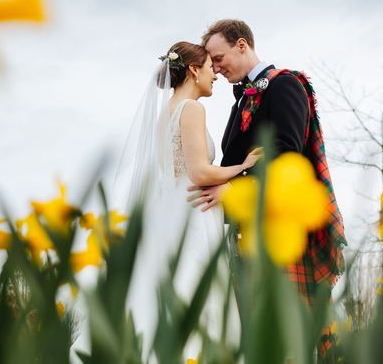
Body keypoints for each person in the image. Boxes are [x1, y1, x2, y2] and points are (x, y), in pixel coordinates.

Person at [189, 19, 347, 357]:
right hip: (252, 234)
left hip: (284, 231)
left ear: (242, 45)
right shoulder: (241, 101)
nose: (215, 68)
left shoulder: (286, 84)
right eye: (211, 63)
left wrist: (236, 190)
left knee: (296, 332)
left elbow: (288, 152)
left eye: (218, 58)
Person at [122, 41, 262, 360]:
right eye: (211, 68)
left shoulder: (164, 115)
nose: (215, 75)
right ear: (194, 70)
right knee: (198, 289)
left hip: (169, 214)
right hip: (194, 212)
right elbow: (199, 172)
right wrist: (243, 167)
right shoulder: (191, 109)